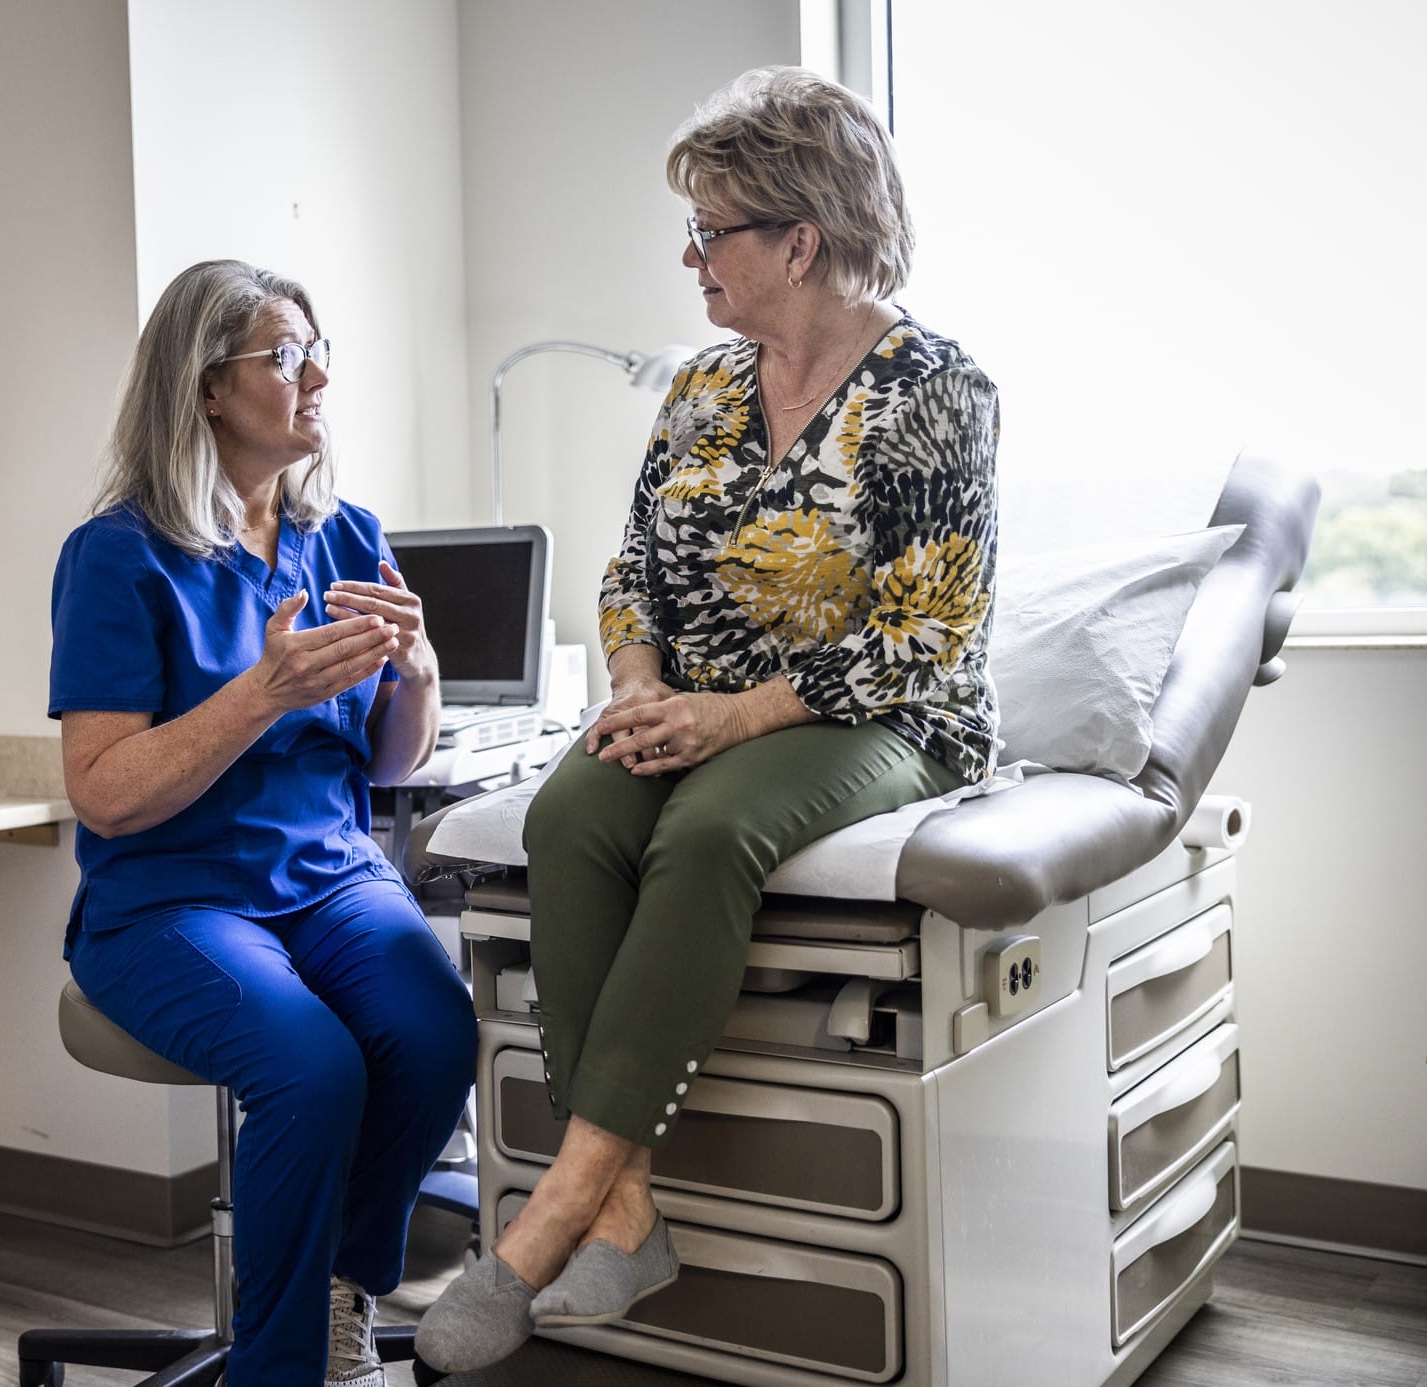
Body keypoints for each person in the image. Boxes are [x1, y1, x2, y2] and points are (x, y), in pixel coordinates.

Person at [417, 66, 999, 1371]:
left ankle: (556, 1209)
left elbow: (924, 631)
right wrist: (631, 688)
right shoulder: (697, 388)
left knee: (705, 830)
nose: (689, 258)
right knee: (570, 811)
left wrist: (727, 721)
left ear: (797, 237)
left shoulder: (933, 389)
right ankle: (628, 1213)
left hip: (881, 712)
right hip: (690, 700)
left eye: (709, 230)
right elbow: (631, 565)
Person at [50, 259, 476, 1387]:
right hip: (172, 900)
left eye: (318, 347)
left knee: (438, 1032)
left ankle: (338, 1294)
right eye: (286, 356)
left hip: (330, 878)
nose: (319, 375)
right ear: (204, 390)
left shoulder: (345, 533)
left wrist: (419, 674)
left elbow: (388, 761)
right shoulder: (118, 556)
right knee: (313, 1067)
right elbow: (102, 789)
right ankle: (283, 1372)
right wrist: (259, 694)